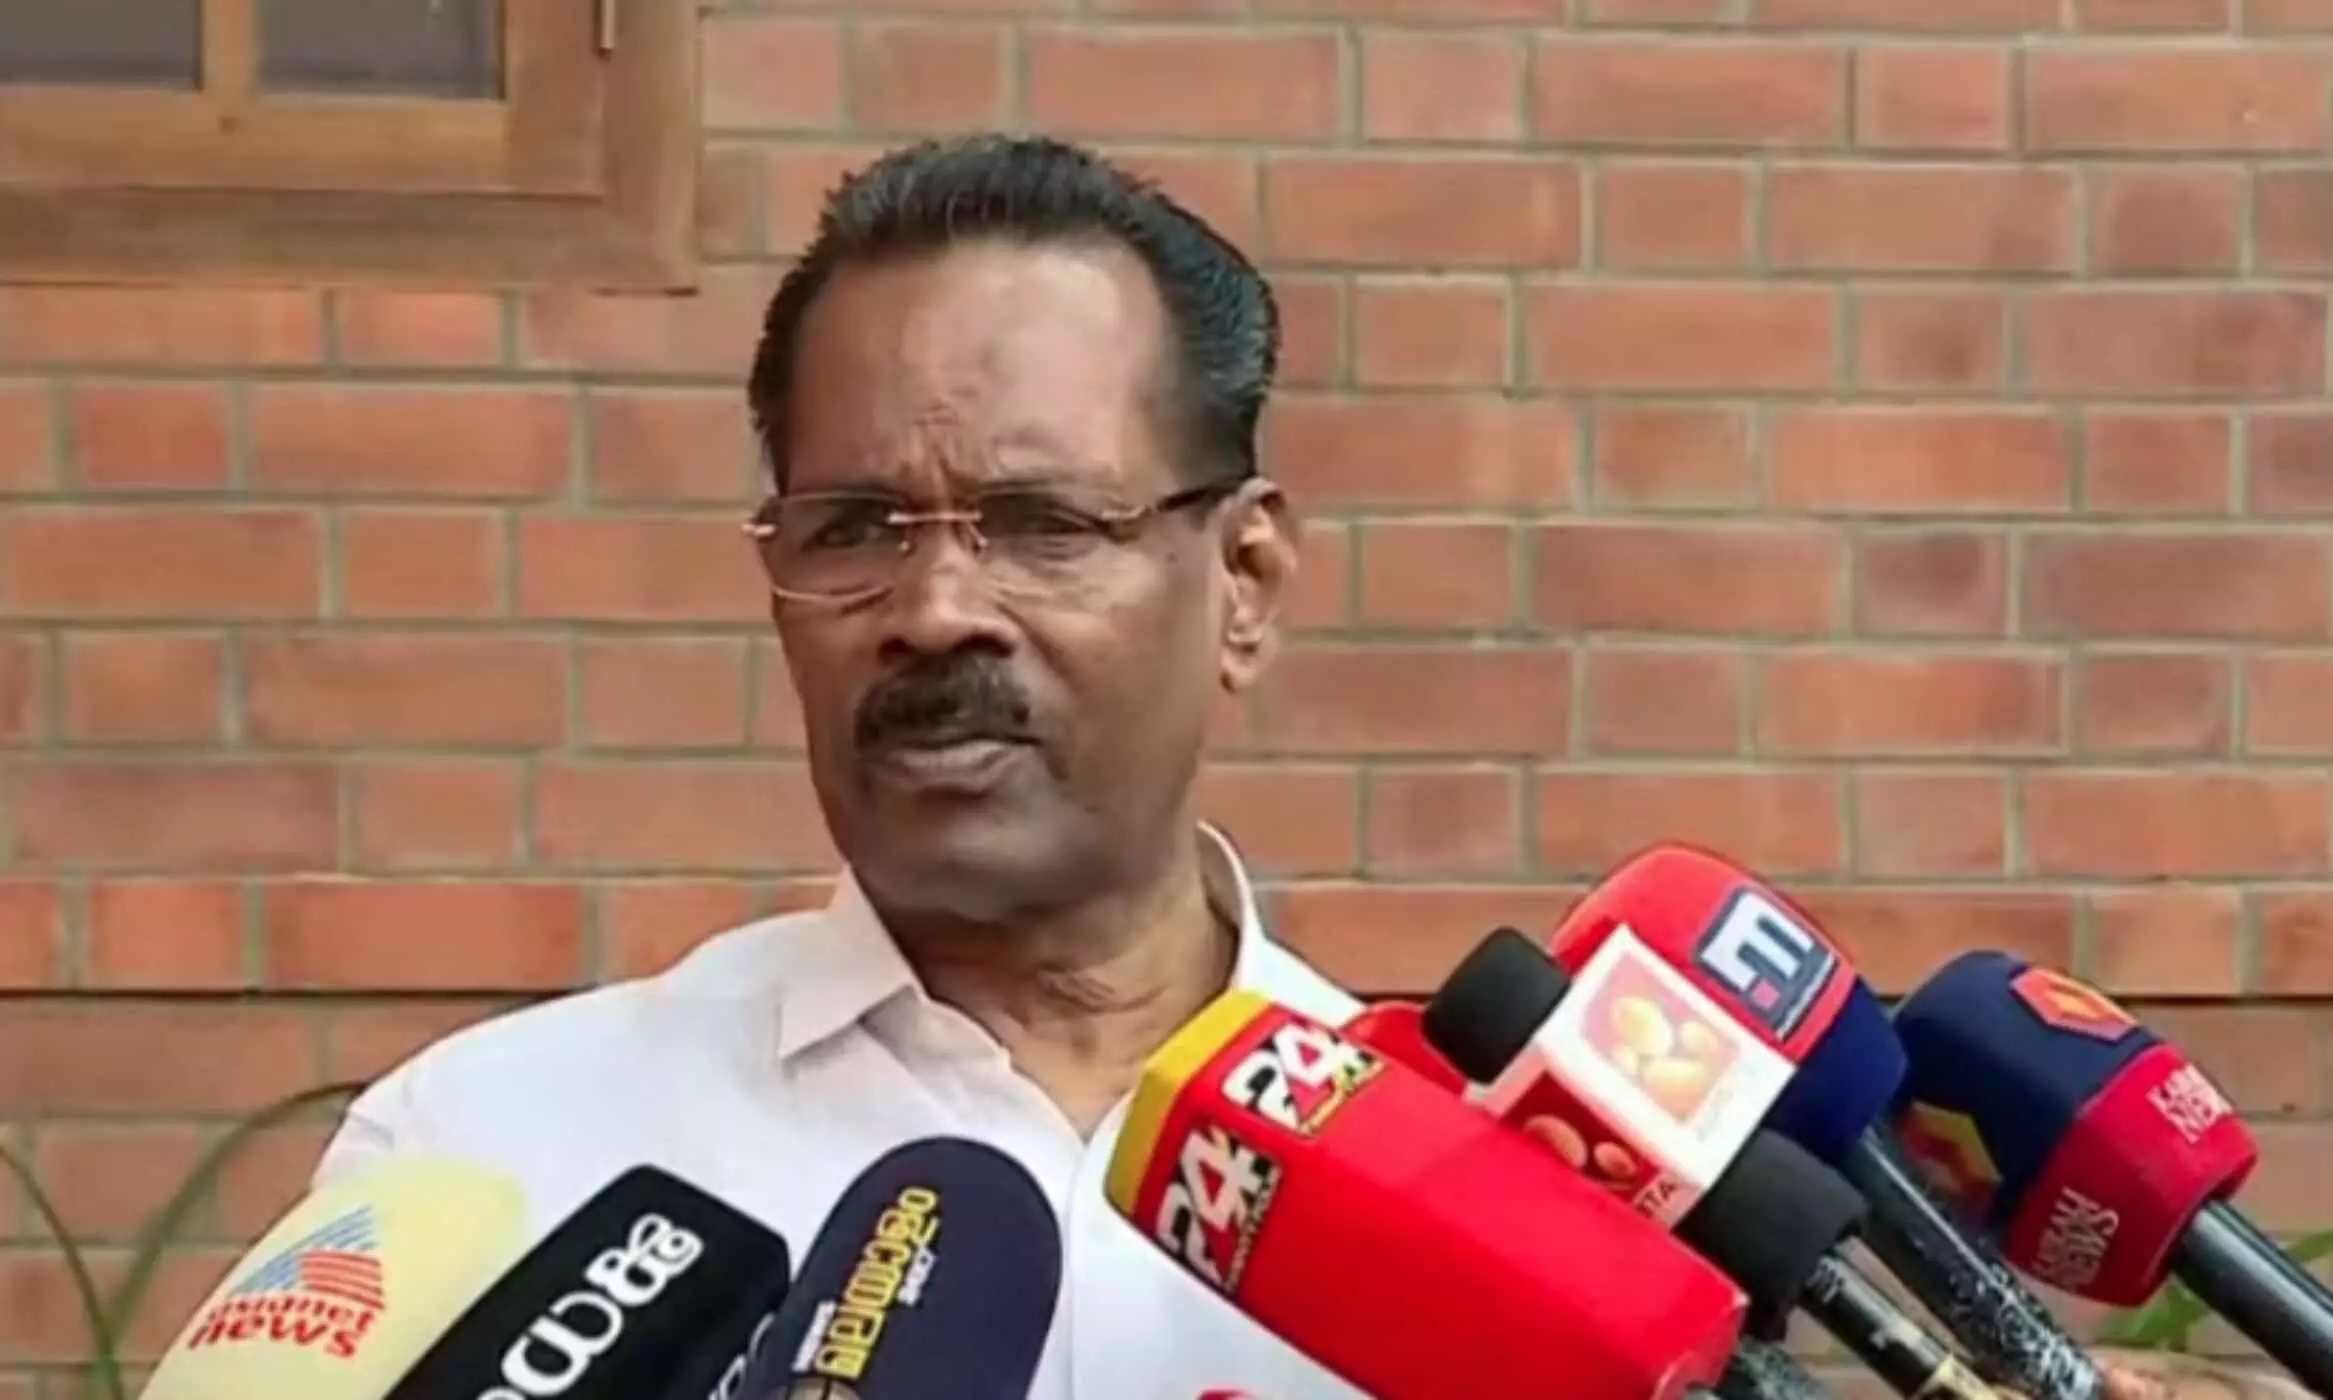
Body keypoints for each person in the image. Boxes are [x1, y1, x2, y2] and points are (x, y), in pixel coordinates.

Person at [309, 134, 2292, 1400]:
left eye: (1042, 522)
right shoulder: (494, 1153)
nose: (931, 610)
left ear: (1242, 581)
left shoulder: (1533, 1209)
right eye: (852, 530)